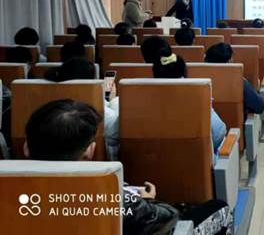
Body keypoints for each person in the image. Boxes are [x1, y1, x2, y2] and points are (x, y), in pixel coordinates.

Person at [23, 99, 232, 235]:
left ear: (26, 147)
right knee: (220, 208)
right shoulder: (107, 195)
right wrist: (148, 200)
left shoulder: (12, 191)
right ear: (89, 152)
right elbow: (169, 217)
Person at [152, 48, 227, 152]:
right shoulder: (198, 98)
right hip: (197, 159)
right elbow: (219, 134)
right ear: (184, 73)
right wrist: (209, 109)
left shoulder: (140, 101)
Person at [44, 57, 119, 149]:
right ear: (91, 81)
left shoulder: (47, 107)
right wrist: (113, 100)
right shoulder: (104, 114)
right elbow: (115, 136)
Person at [205, 43, 264, 117]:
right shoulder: (239, 81)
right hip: (234, 123)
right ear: (229, 61)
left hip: (205, 123)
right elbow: (259, 107)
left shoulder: (200, 82)